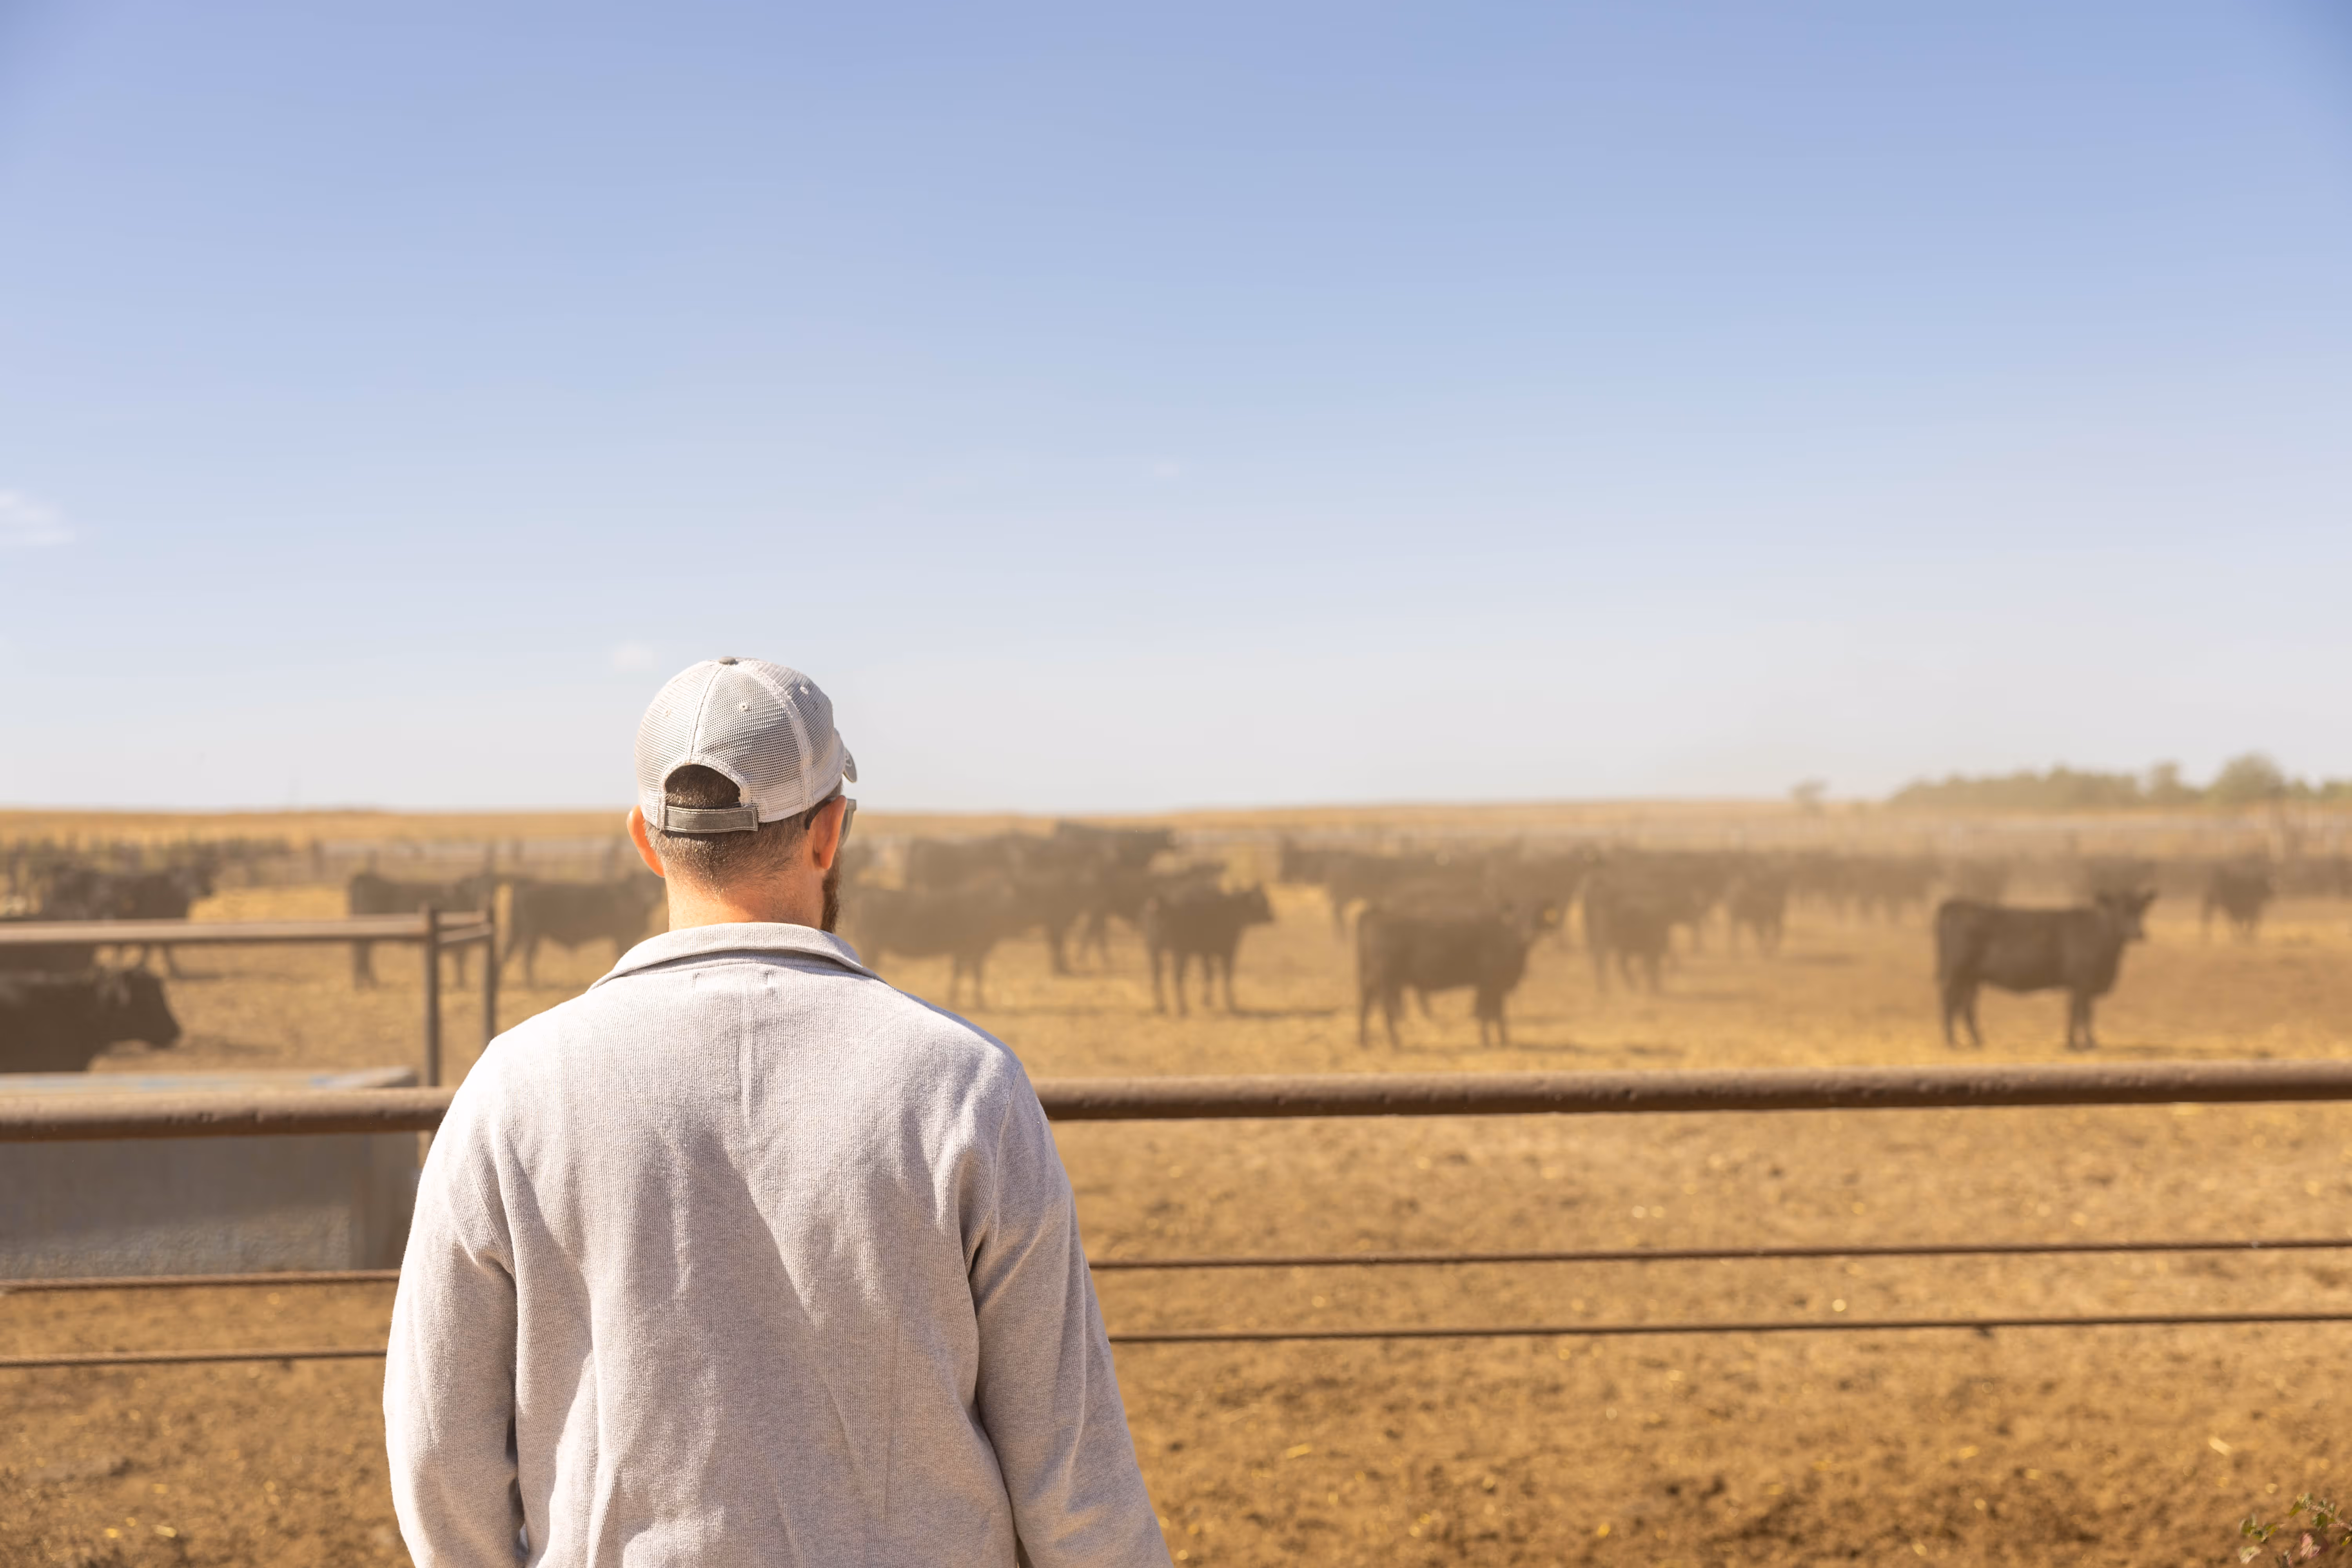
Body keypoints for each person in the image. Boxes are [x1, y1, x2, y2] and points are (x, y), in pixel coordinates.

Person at [385, 657, 1169, 1567]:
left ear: (646, 839)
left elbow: (438, 1451)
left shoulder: (513, 1088)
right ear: (830, 831)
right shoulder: (966, 1084)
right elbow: (1074, 1480)